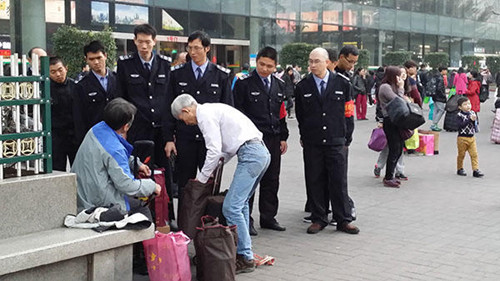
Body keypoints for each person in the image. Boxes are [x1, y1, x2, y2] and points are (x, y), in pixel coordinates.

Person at [171, 94, 270, 274]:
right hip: (259, 152)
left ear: (186, 110)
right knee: (240, 206)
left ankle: (245, 257)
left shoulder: (204, 115)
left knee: (231, 208)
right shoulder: (212, 109)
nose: (185, 123)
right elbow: (224, 151)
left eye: (182, 119)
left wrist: (200, 180)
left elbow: (214, 151)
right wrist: (215, 167)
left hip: (251, 154)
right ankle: (243, 251)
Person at [164, 30, 233, 211]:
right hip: (185, 139)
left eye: (197, 48)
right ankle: (185, 224)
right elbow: (168, 108)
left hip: (210, 141)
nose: (192, 52)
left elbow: (227, 111)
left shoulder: (221, 75)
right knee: (184, 183)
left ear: (207, 48)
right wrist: (169, 139)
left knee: (209, 183)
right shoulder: (177, 74)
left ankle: (205, 224)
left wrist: (225, 144)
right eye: (189, 48)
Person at [295, 47, 358, 235]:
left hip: (336, 139)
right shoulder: (303, 86)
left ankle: (343, 219)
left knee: (338, 180)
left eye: (317, 61)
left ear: (328, 62)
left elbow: (348, 113)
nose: (312, 65)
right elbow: (300, 115)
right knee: (314, 179)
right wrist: (304, 135)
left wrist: (347, 137)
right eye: (310, 61)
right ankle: (318, 217)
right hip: (313, 141)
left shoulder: (342, 84)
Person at [233, 46, 288, 236]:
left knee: (272, 179)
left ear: (275, 66)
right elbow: (238, 114)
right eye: (262, 64)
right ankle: (246, 219)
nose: (264, 69)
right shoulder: (244, 84)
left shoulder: (280, 86)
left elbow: (282, 114)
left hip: (273, 138)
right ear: (257, 62)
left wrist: (283, 137)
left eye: (269, 66)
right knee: (250, 179)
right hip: (252, 140)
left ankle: (268, 216)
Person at [72, 98, 161, 212]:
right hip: (97, 203)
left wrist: (137, 164)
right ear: (126, 127)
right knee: (142, 210)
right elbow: (127, 185)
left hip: (81, 194)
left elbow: (111, 157)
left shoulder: (96, 129)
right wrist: (152, 186)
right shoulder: (115, 149)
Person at [116, 23, 171, 193]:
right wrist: (122, 128)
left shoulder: (165, 64)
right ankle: (139, 212)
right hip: (137, 128)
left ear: (154, 42)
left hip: (161, 128)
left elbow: (170, 99)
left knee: (164, 172)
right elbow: (121, 97)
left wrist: (171, 133)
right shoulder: (126, 64)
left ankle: (166, 214)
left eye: (147, 41)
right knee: (137, 170)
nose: (144, 46)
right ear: (134, 41)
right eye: (140, 42)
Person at [74, 40, 117, 144]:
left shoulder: (118, 79)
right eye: (92, 59)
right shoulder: (82, 85)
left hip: (118, 134)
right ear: (86, 60)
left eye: (99, 58)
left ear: (105, 56)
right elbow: (79, 118)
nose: (96, 62)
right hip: (95, 137)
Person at [376, 66, 409, 188]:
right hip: (390, 121)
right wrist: (401, 88)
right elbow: (399, 101)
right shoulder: (385, 87)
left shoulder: (392, 86)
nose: (400, 78)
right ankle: (388, 177)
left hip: (397, 120)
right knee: (394, 149)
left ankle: (392, 175)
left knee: (399, 148)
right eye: (398, 75)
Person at [49, 56, 78, 171]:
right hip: (56, 136)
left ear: (66, 68)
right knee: (56, 170)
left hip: (74, 135)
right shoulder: (45, 89)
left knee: (78, 170)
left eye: (60, 70)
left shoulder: (75, 87)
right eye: (53, 72)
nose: (58, 74)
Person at [455, 96, 484, 178]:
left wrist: (475, 121)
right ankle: (460, 168)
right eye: (465, 104)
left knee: (474, 154)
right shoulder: (459, 115)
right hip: (462, 138)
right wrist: (469, 120)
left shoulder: (472, 113)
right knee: (461, 154)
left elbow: (475, 124)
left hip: (472, 137)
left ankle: (475, 170)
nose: (468, 106)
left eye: (469, 104)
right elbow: (460, 125)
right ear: (460, 107)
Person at [430, 67, 448, 131]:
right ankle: (434, 124)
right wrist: (444, 96)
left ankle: (434, 124)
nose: (446, 72)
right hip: (439, 97)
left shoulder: (435, 76)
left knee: (436, 109)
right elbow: (440, 88)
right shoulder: (440, 78)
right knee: (441, 110)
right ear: (442, 70)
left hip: (434, 95)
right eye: (445, 70)